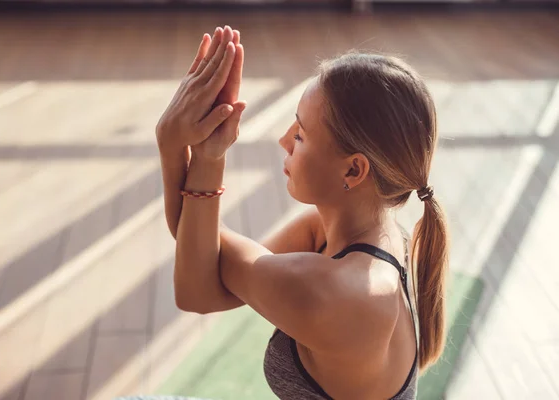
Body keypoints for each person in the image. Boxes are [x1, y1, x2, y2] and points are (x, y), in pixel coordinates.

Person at [156, 25, 449, 400]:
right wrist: (193, 151)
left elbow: (193, 289)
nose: (284, 139)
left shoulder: (334, 293)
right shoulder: (360, 234)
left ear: (353, 170)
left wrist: (177, 147)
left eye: (300, 135)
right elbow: (205, 285)